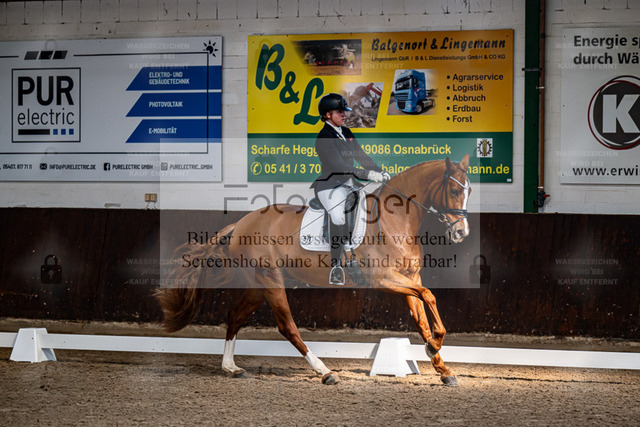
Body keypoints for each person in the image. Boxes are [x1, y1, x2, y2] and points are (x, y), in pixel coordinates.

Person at [311, 93, 390, 285]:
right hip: (330, 185)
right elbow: (338, 166)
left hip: (349, 184)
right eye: (340, 112)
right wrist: (368, 174)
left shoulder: (345, 132)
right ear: (328, 114)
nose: (344, 115)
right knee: (338, 216)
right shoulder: (324, 137)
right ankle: (336, 267)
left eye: (344, 111)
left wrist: (380, 171)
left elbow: (361, 156)